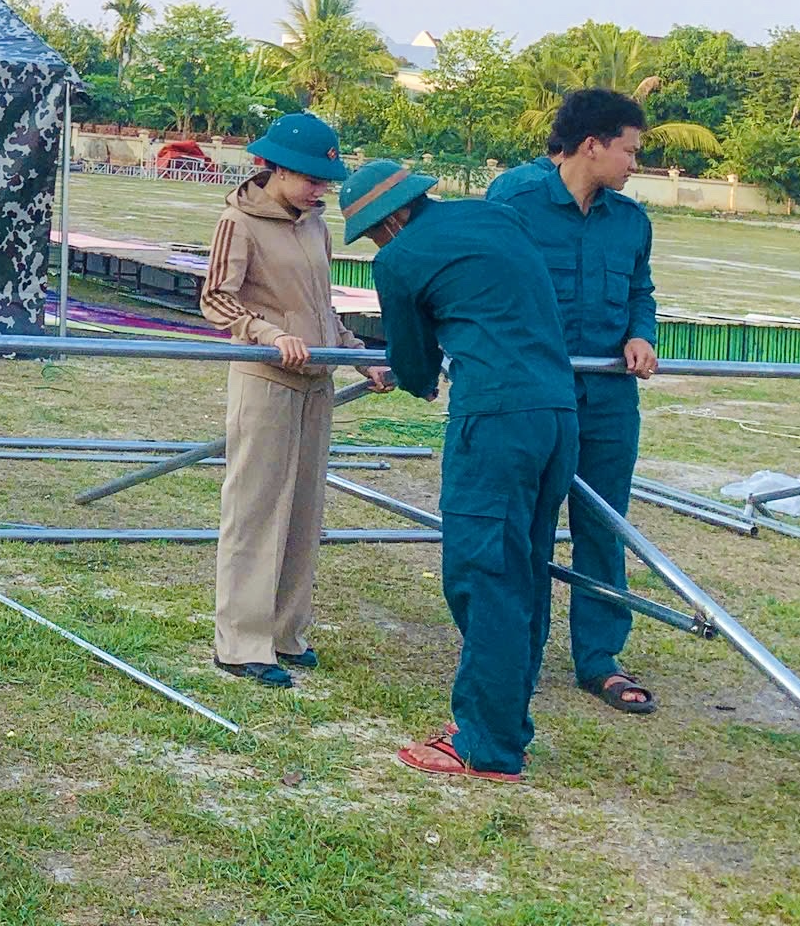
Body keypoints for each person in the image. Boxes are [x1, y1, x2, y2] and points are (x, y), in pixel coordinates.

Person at [343, 158, 578, 782]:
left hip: (496, 420)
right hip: (559, 413)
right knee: (525, 568)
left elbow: (413, 362)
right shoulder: (495, 216)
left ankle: (486, 745)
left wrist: (413, 378)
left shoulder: (398, 259)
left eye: (373, 232)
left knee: (484, 573)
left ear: (393, 217)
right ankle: (504, 723)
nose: (377, 244)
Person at [487, 88, 661, 717]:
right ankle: (518, 651)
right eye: (629, 151)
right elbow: (488, 289)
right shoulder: (515, 204)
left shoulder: (631, 221)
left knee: (603, 525)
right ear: (593, 145)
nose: (635, 164)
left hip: (609, 398)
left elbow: (641, 292)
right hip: (537, 396)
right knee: (526, 525)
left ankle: (599, 657)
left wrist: (641, 333)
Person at [199, 111, 387, 687]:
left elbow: (321, 308)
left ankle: (285, 632)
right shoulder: (239, 221)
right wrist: (268, 334)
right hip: (266, 379)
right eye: (308, 178)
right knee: (255, 510)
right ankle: (240, 641)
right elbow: (216, 299)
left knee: (305, 511)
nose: (318, 189)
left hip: (316, 381)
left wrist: (358, 354)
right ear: (274, 168)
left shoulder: (315, 227)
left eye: (324, 180)